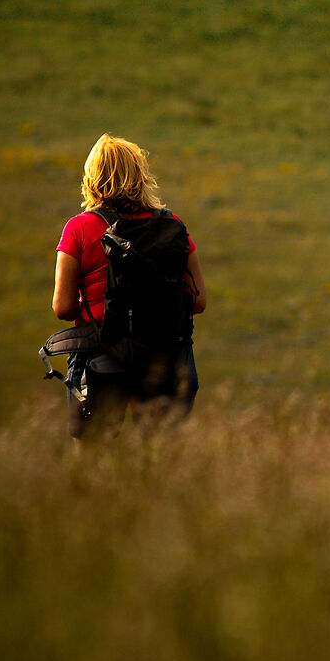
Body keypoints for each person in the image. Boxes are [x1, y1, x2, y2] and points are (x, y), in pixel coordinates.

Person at [52, 134, 205, 439]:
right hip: (166, 357)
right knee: (163, 457)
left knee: (93, 457)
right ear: (141, 175)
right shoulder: (171, 225)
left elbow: (63, 307)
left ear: (92, 177)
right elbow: (198, 302)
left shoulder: (79, 228)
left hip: (100, 358)